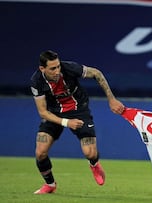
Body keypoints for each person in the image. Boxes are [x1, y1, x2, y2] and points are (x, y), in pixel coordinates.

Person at [30, 50, 124, 194]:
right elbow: (43, 112)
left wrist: (111, 99)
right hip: (54, 113)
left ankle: (94, 163)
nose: (57, 71)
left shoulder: (69, 68)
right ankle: (50, 184)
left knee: (90, 153)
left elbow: (97, 73)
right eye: (52, 68)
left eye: (58, 66)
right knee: (40, 152)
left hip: (79, 110)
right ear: (42, 69)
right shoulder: (37, 81)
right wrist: (67, 122)